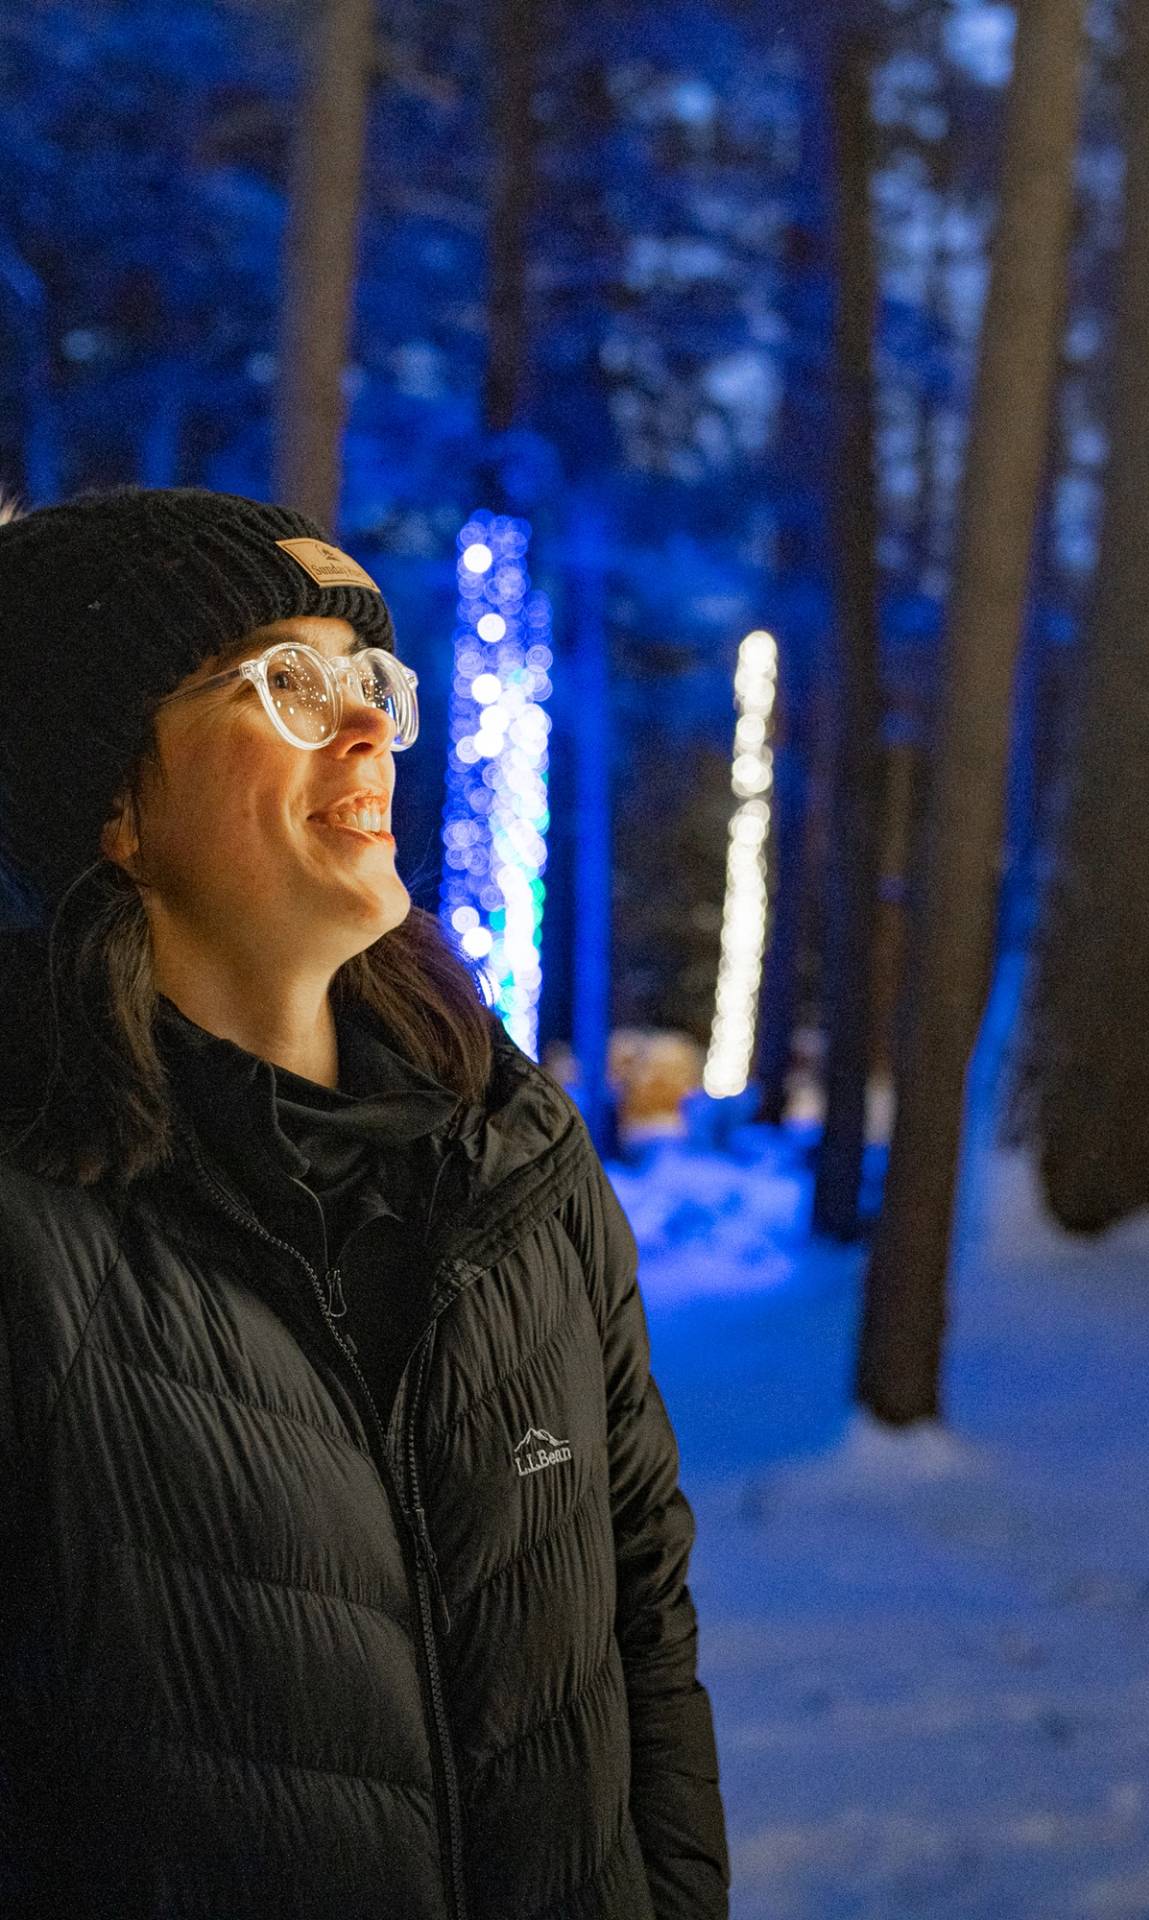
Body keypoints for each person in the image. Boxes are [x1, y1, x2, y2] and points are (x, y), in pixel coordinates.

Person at [0, 487, 730, 1918]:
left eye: (370, 683)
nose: (367, 728)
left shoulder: (518, 1159)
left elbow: (643, 1619)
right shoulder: (37, 1227)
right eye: (285, 683)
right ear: (112, 803)